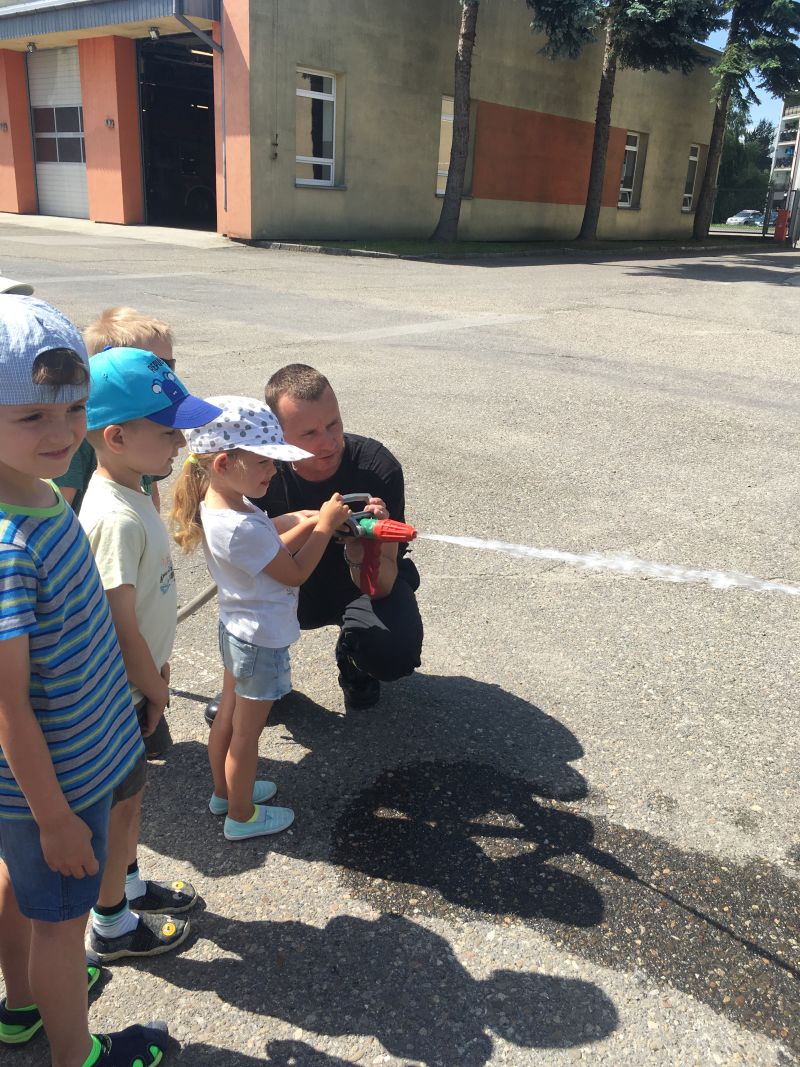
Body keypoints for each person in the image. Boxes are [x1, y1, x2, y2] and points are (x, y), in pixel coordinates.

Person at [0, 295, 168, 1065]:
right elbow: (6, 704)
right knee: (62, 933)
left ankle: (22, 1009)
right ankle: (79, 1055)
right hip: (56, 789)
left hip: (63, 773)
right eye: (32, 415)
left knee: (25, 893)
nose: (63, 432)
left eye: (73, 408)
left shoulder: (40, 493)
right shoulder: (10, 547)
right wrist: (57, 819)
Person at [78, 347, 221, 963]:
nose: (180, 442)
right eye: (167, 432)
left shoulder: (133, 492)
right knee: (122, 807)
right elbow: (117, 625)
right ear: (116, 437)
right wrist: (154, 687)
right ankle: (111, 924)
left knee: (133, 801)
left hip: (140, 682)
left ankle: (129, 885)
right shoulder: (114, 518)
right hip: (122, 693)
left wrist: (158, 668)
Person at [171, 397, 352, 841]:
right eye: (264, 462)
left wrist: (304, 519)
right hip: (260, 640)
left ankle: (224, 793)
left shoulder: (223, 502)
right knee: (246, 734)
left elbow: (266, 539)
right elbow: (293, 571)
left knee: (229, 718)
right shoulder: (239, 525)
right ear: (224, 463)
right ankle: (241, 814)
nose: (273, 471)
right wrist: (324, 527)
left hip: (236, 629)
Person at [249, 364, 423, 710]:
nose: (329, 443)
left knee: (394, 651)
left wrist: (366, 549)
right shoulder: (259, 470)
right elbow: (239, 563)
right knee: (243, 601)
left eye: (333, 424)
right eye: (309, 433)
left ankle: (354, 659)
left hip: (355, 585)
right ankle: (260, 680)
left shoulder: (376, 467)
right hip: (289, 581)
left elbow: (382, 586)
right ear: (278, 435)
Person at [57, 307, 176, 515]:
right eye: (156, 366)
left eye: (169, 367)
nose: (167, 376)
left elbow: (150, 491)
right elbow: (62, 507)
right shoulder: (83, 434)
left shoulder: (150, 429)